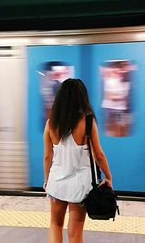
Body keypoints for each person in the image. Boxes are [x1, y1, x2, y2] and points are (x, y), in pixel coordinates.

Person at [43, 78, 112, 243]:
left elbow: (47, 156)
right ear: (82, 98)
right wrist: (108, 177)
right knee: (75, 233)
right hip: (80, 186)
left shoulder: (50, 124)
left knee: (55, 225)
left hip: (57, 182)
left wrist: (47, 181)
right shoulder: (88, 122)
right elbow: (99, 155)